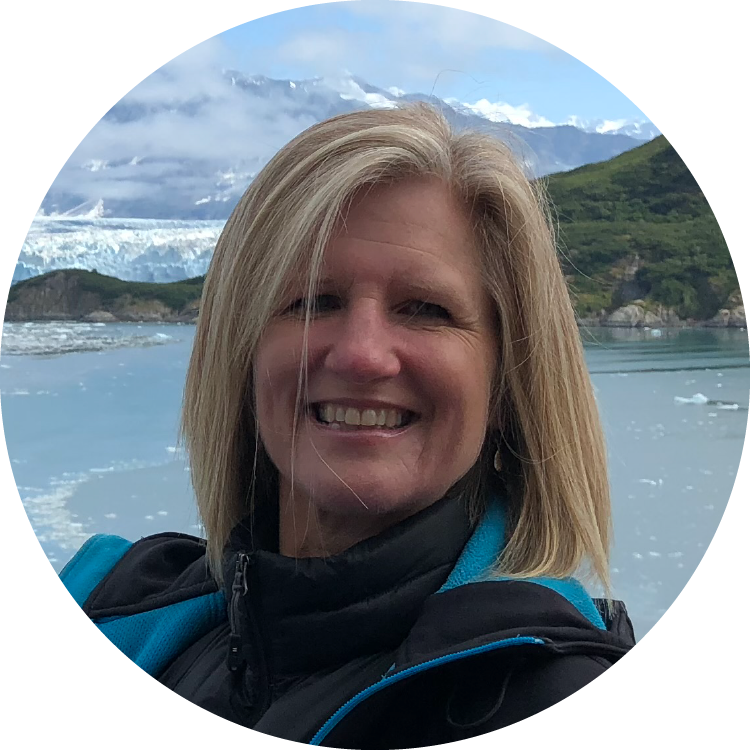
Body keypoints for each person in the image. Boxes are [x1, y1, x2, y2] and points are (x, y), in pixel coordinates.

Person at [59, 102, 635, 743]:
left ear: (506, 383)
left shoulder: (541, 687)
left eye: (426, 309)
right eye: (314, 301)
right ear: (241, 357)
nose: (361, 355)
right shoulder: (123, 609)